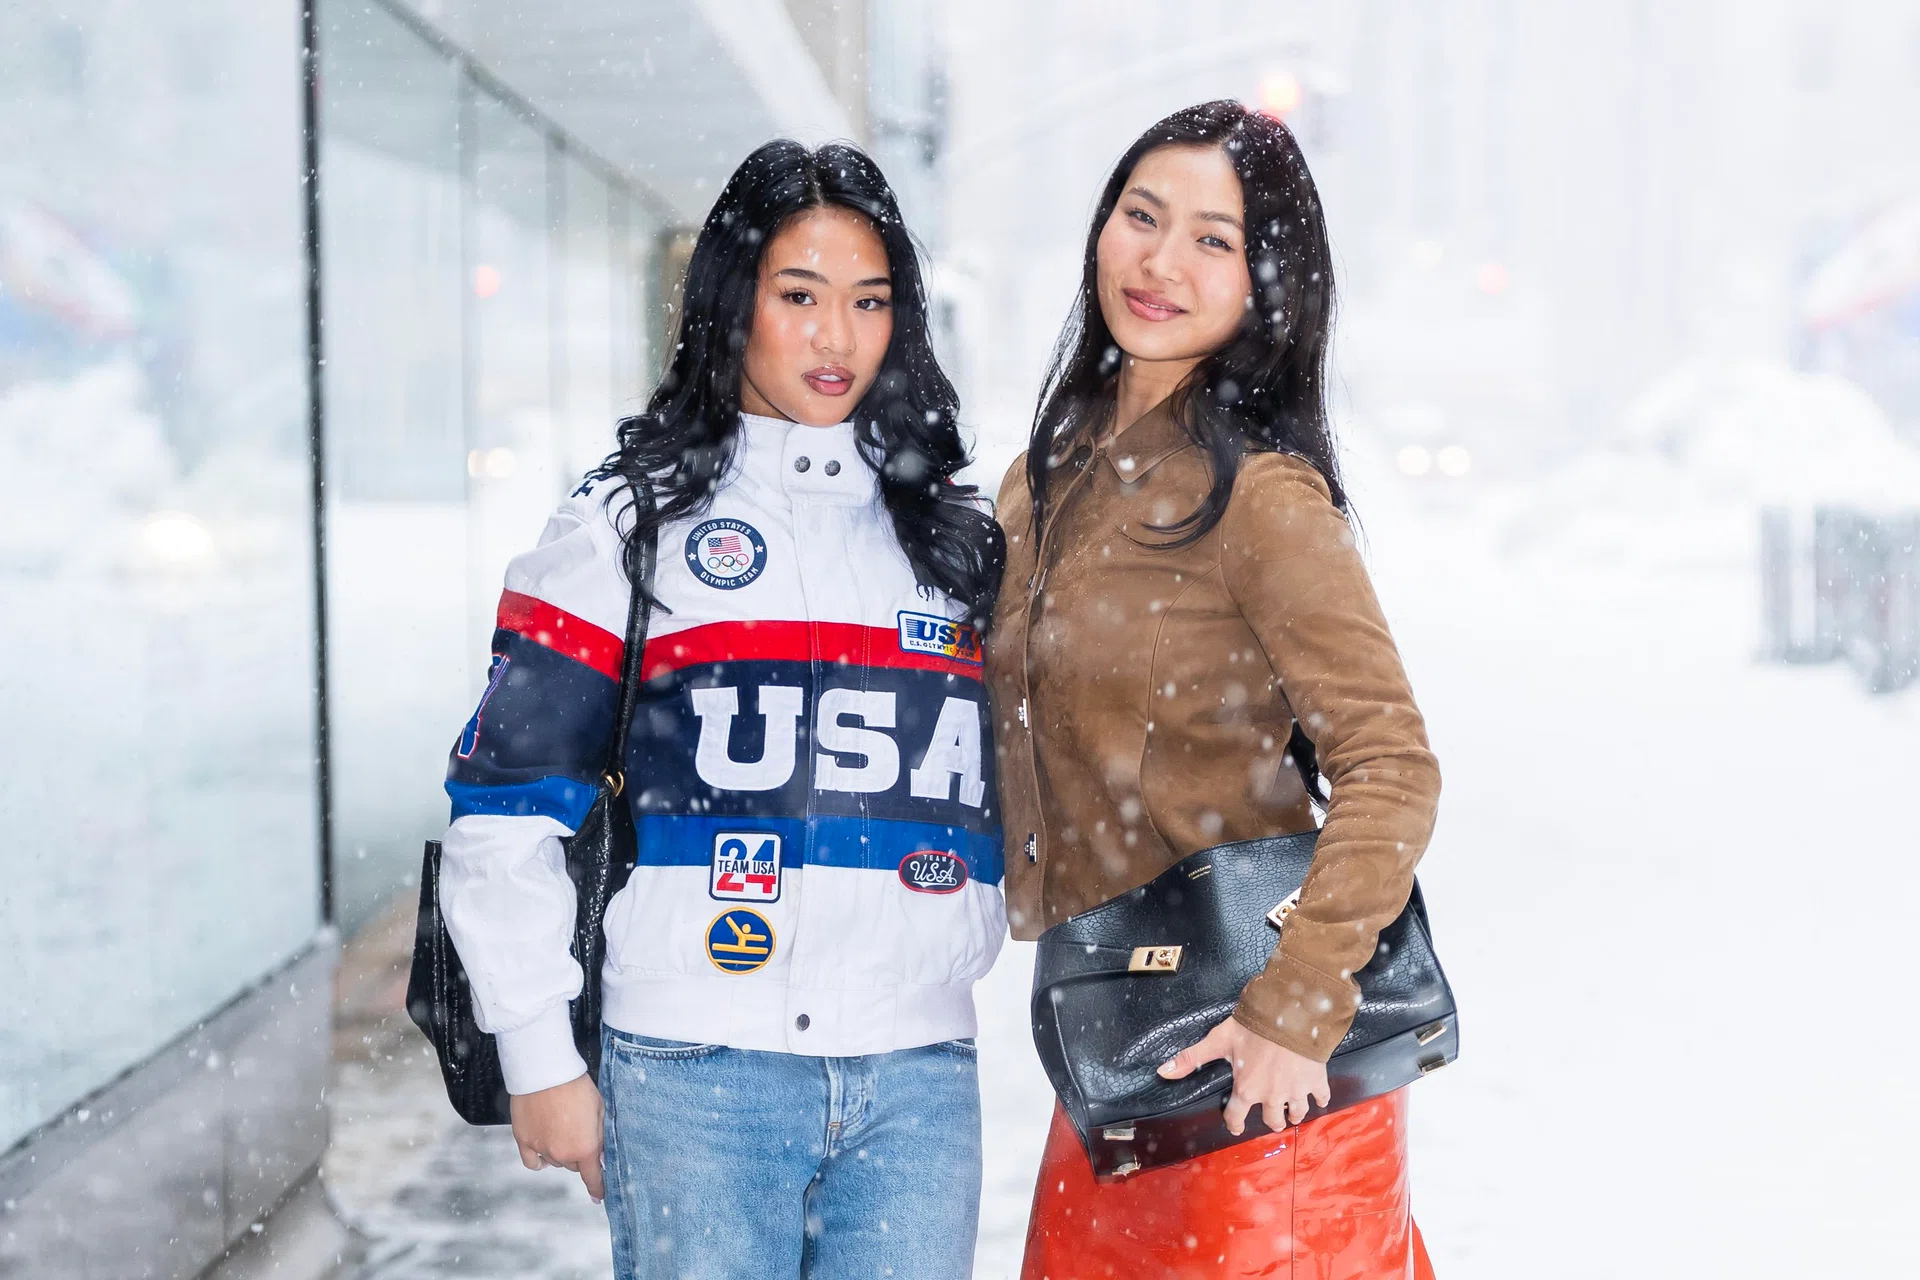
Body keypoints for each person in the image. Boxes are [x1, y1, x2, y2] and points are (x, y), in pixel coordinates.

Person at [439, 139, 1006, 1279]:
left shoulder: (954, 537)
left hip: (917, 1078)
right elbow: (503, 806)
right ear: (730, 302)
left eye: (869, 300)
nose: (836, 336)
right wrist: (542, 1055)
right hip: (695, 1075)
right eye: (799, 295)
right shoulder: (624, 525)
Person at [985, 101, 1443, 1278]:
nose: (1159, 261)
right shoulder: (1044, 481)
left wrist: (1296, 1008)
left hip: (1259, 1076)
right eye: (1143, 217)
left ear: (1266, 283)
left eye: (1213, 239)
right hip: (1115, 1058)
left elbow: (1391, 765)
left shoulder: (1263, 499)